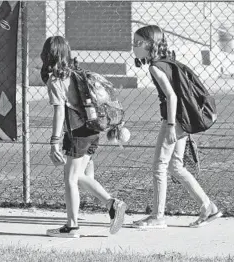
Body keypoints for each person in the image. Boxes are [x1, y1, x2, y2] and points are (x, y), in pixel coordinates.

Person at [131, 25, 222, 229]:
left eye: (137, 43)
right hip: (182, 120)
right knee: (175, 166)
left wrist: (171, 126)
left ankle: (157, 216)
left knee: (159, 167)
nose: (134, 47)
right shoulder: (168, 61)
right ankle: (208, 207)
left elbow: (172, 97)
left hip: (174, 121)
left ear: (149, 45)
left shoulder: (155, 66)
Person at [41, 36, 127, 238]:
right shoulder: (74, 73)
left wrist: (54, 141)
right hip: (92, 129)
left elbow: (59, 112)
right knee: (78, 176)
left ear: (47, 55)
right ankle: (111, 205)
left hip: (78, 133)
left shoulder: (56, 80)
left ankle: (73, 226)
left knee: (70, 178)